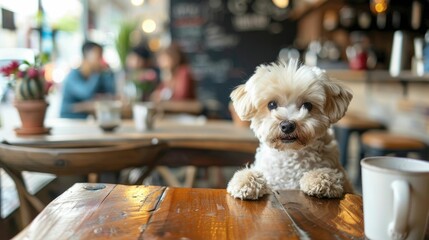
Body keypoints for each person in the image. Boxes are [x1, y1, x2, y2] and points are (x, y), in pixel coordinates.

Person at [60, 41, 115, 118]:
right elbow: (86, 94)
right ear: (86, 56)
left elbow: (110, 93)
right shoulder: (73, 75)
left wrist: (108, 73)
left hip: (86, 119)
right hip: (69, 120)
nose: (100, 60)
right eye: (98, 56)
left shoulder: (97, 75)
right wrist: (96, 73)